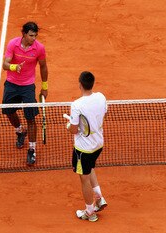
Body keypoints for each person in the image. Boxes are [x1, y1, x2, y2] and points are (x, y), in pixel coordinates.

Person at [2, 21, 48, 166]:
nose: (33, 38)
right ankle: (20, 131)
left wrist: (44, 86)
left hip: (28, 86)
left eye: (35, 35)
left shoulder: (39, 48)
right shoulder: (13, 44)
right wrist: (15, 67)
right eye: (31, 35)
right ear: (24, 34)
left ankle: (32, 150)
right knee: (9, 112)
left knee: (31, 118)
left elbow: (43, 66)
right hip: (12, 83)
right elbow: (5, 64)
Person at [66, 71, 108, 222]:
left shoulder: (77, 105)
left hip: (83, 149)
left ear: (80, 84)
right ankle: (99, 198)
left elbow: (74, 129)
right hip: (98, 144)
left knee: (84, 178)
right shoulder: (101, 97)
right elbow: (103, 115)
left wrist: (68, 125)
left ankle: (90, 212)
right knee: (89, 168)